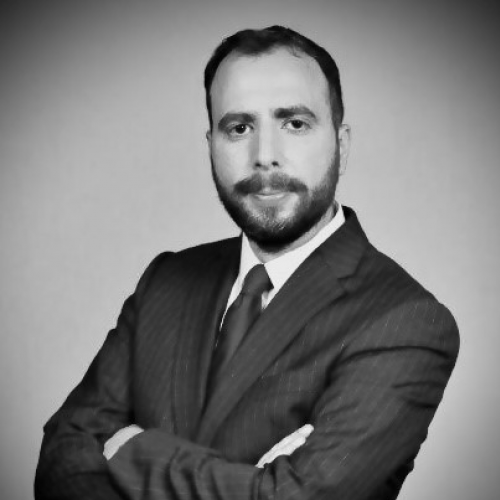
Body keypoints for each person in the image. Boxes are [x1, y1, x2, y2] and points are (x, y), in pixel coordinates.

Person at [34, 25, 459, 500]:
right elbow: (64, 451)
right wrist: (254, 482)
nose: (265, 157)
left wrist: (132, 450)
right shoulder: (166, 281)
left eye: (294, 123)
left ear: (342, 145)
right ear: (210, 145)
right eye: (239, 128)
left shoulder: (405, 322)